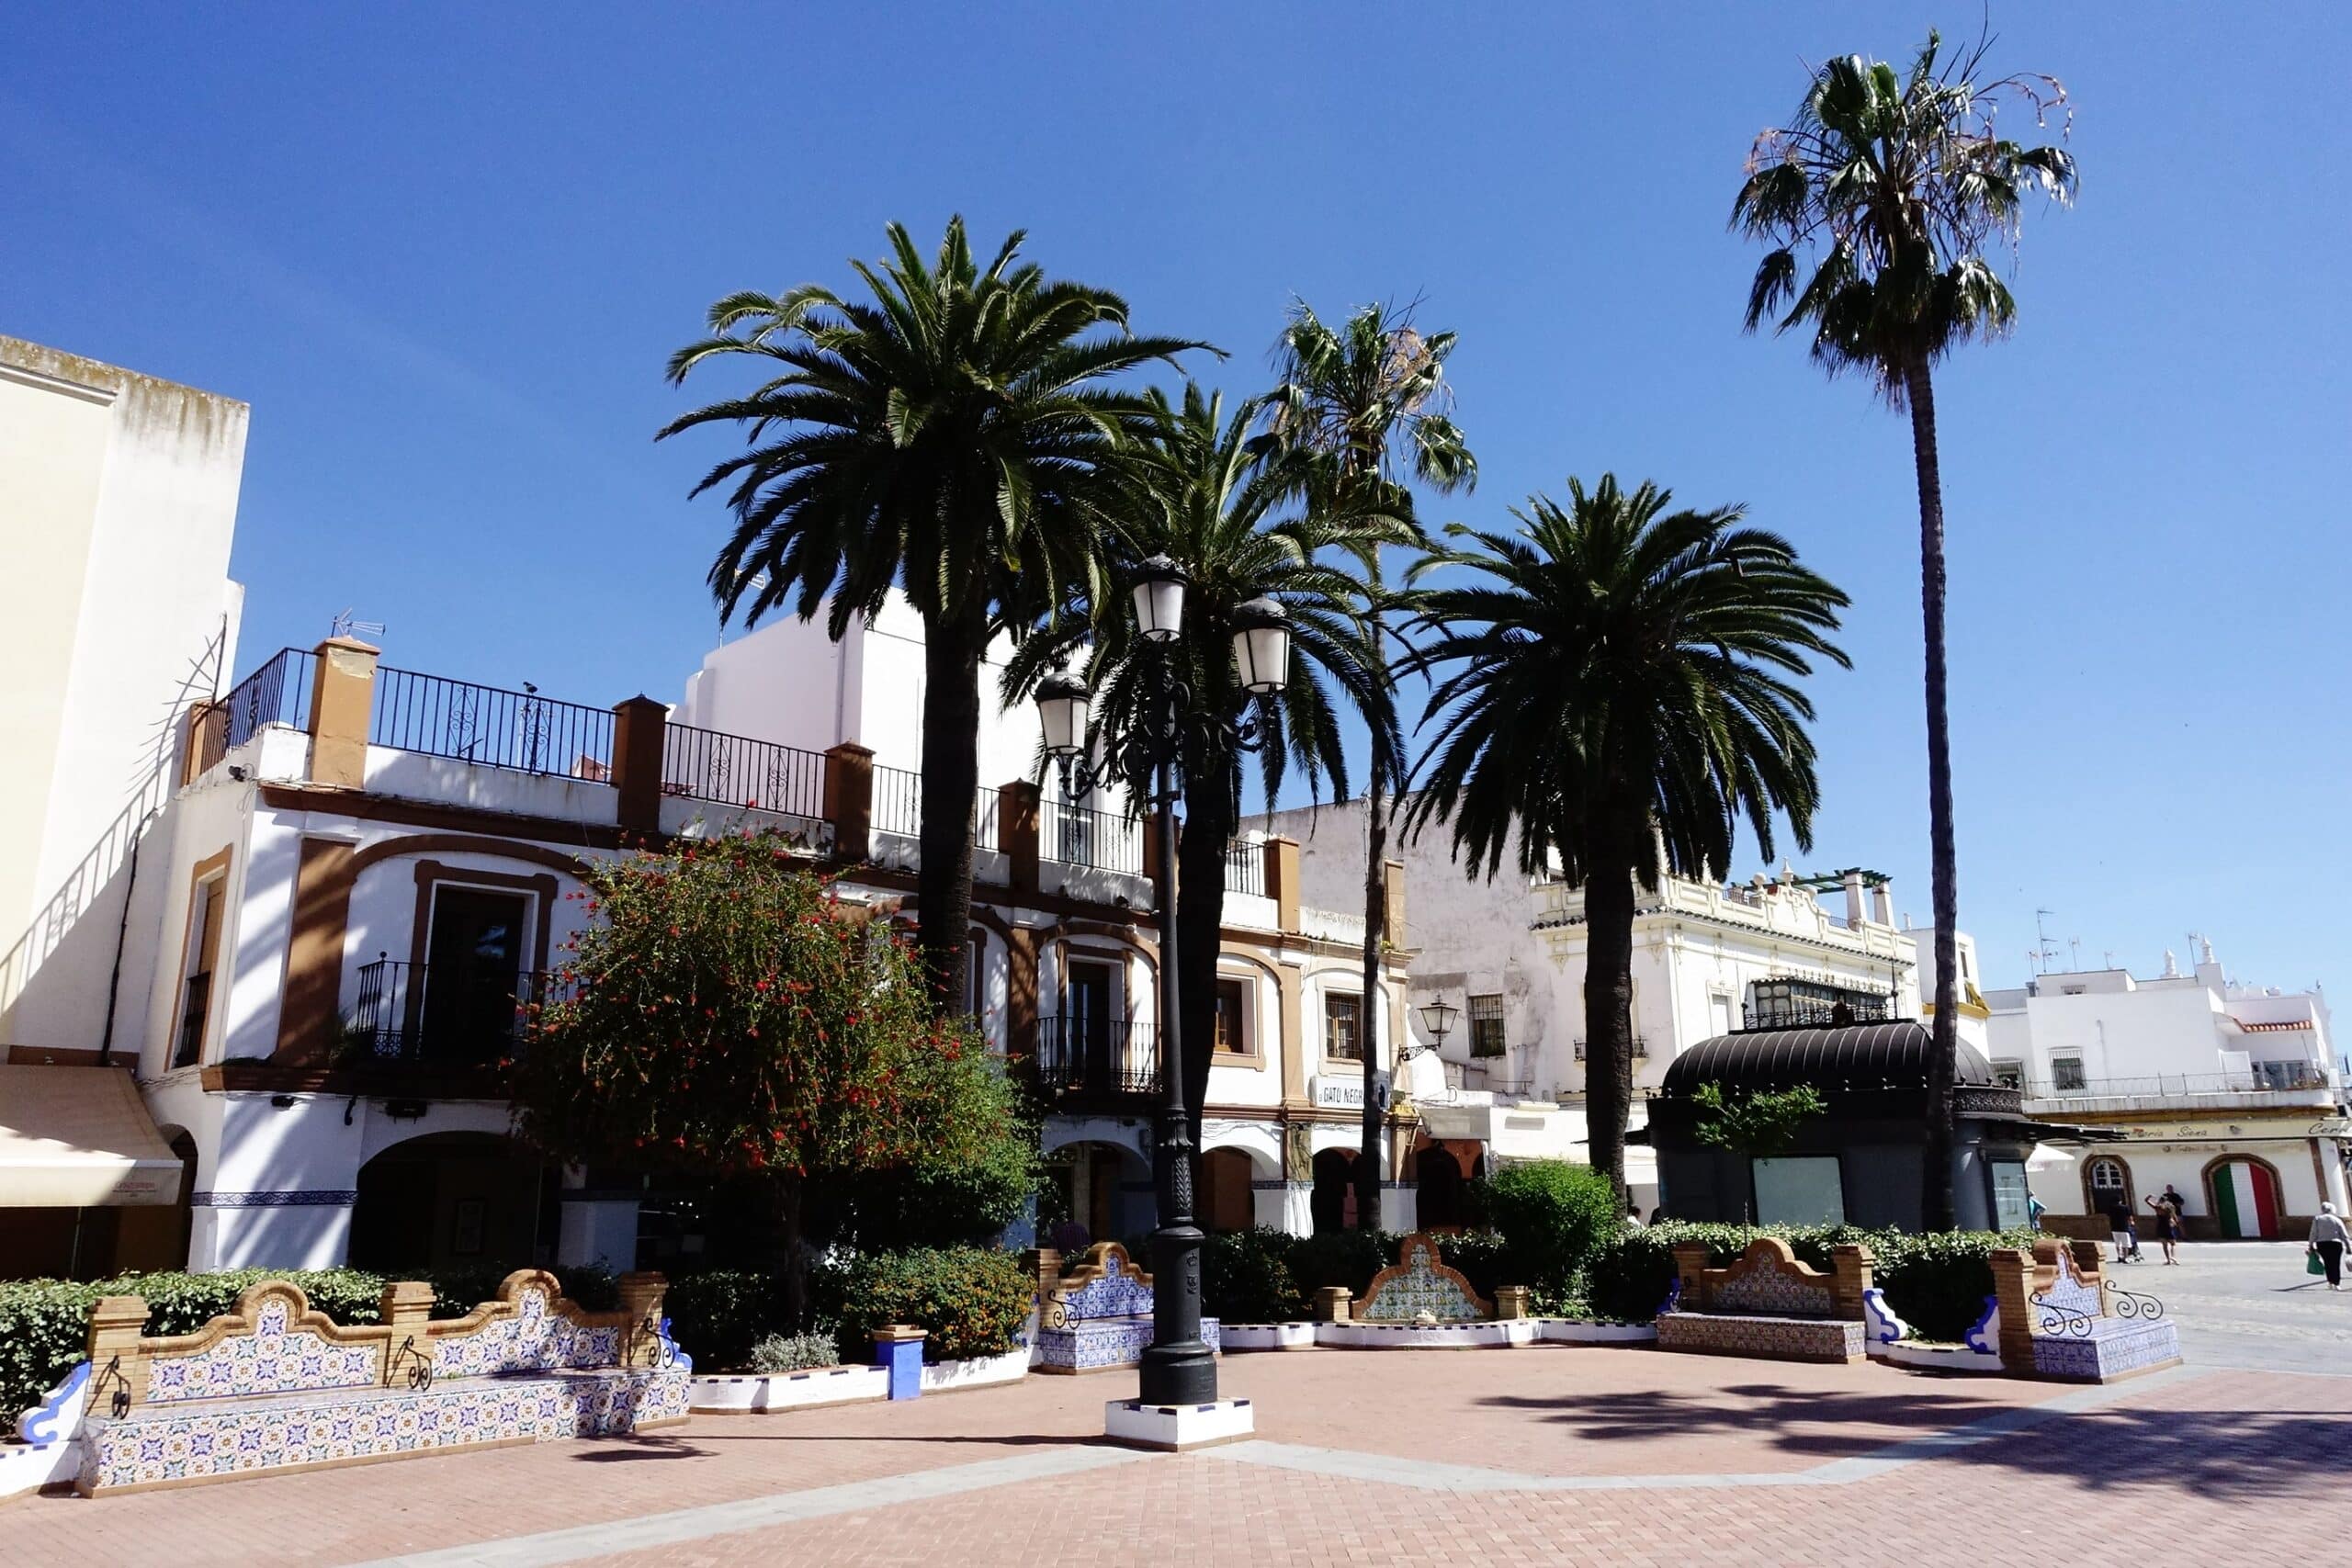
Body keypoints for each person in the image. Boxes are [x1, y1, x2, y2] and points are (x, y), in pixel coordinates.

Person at [2310, 1201, 2350, 1292]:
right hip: (2335, 1244)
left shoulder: (2317, 1219)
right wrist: (2348, 1246)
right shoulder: (2336, 1219)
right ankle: (2337, 1283)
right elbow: (2344, 1234)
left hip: (2322, 1244)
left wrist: (2311, 1244)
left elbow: (2313, 1233)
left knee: (2327, 1263)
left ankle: (2330, 1282)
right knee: (2336, 1263)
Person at [2143, 1191, 2183, 1265]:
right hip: (2168, 1225)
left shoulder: (2157, 1208)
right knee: (2173, 1243)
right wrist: (2176, 1222)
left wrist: (2150, 1196)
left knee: (2164, 1245)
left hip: (2161, 1226)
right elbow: (2174, 1216)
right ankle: (2173, 1257)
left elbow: (2146, 1201)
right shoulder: (2170, 1207)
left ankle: (2168, 1260)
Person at [2105, 1194, 2139, 1262]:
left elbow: (2108, 1216)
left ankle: (2119, 1256)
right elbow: (2129, 1216)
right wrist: (2132, 1222)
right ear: (2120, 1201)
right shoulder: (2125, 1207)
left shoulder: (2111, 1208)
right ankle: (2125, 1257)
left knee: (2117, 1244)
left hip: (2114, 1228)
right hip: (2124, 1228)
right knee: (2125, 1244)